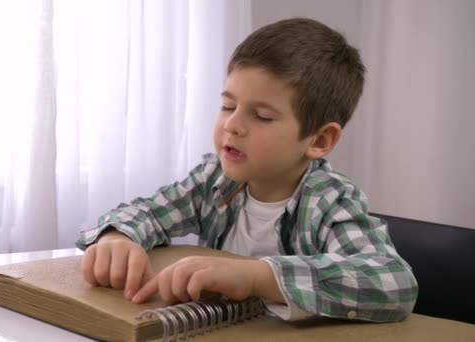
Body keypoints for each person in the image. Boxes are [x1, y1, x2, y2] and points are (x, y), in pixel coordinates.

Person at [75, 17, 418, 322]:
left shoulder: (329, 200)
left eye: (262, 116)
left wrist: (257, 277)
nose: (233, 125)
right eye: (228, 105)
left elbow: (393, 281)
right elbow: (148, 211)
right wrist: (117, 237)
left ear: (320, 140)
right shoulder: (215, 180)